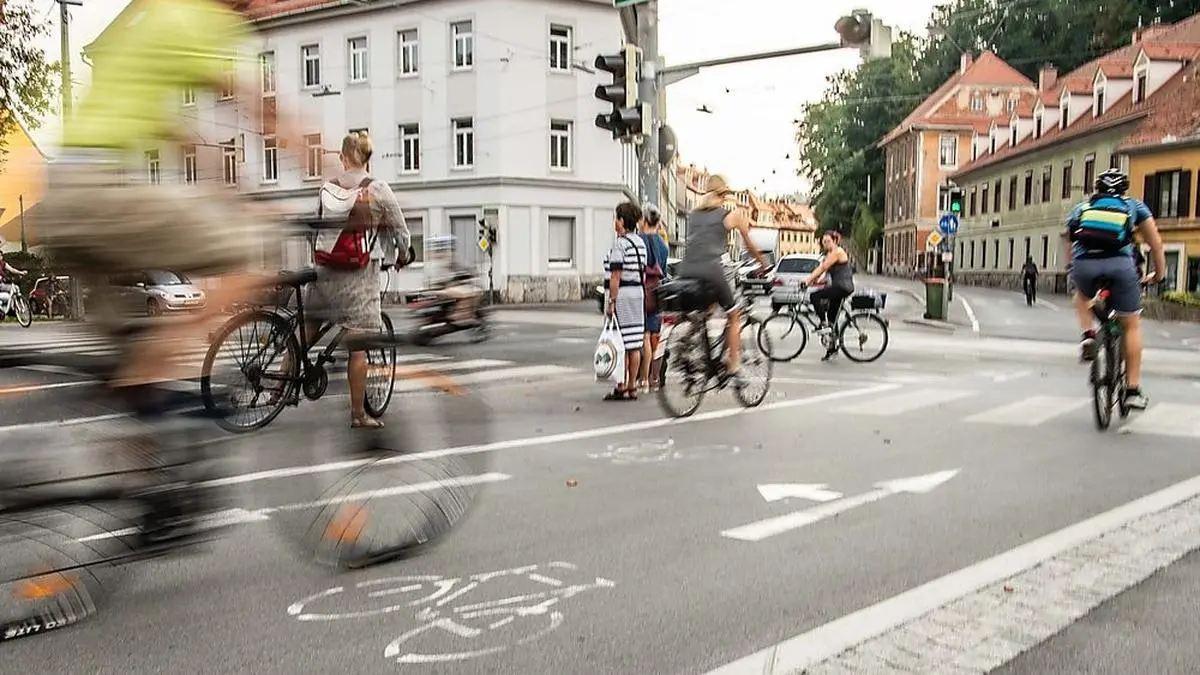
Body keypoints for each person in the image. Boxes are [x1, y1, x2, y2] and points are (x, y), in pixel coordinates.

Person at [35, 0, 307, 395]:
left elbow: (178, 134)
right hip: (95, 194)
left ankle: (140, 406)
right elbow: (265, 111)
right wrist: (335, 171)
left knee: (124, 353)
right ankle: (151, 366)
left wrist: (228, 189)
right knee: (247, 255)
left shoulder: (147, 21)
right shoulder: (199, 19)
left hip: (59, 196)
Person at [307, 131, 410, 428]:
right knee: (359, 344)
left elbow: (316, 229)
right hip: (358, 278)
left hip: (325, 273)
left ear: (343, 157)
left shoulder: (326, 189)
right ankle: (358, 414)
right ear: (367, 158)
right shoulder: (377, 189)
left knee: (308, 326)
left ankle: (279, 386)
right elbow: (400, 231)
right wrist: (402, 255)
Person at [1066, 168, 1166, 410]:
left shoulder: (1082, 208)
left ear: (1097, 189)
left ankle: (1089, 334)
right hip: (1120, 266)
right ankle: (1132, 390)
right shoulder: (1134, 206)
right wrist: (1159, 275)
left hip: (1085, 265)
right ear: (1124, 189)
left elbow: (1070, 242)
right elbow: (1156, 245)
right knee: (1131, 324)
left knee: (1081, 295)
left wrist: (1073, 269)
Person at [677, 175, 769, 385]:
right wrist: (763, 264)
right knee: (734, 316)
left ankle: (686, 341)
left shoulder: (693, 215)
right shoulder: (730, 215)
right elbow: (749, 245)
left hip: (687, 269)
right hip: (711, 268)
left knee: (706, 311)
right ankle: (733, 365)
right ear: (724, 194)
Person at [604, 202, 648, 401]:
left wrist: (611, 301)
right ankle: (633, 386)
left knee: (621, 342)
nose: (615, 222)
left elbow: (615, 275)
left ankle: (621, 385)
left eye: (616, 218)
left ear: (622, 221)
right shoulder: (640, 243)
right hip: (638, 293)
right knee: (635, 342)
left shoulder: (619, 244)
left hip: (623, 294)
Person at [805, 231, 855, 361]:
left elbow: (823, 267)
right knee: (833, 319)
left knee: (814, 297)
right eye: (823, 241)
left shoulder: (838, 252)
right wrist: (813, 281)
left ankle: (823, 323)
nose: (825, 243)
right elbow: (825, 274)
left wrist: (808, 278)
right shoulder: (830, 254)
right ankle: (832, 348)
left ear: (835, 241)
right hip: (839, 287)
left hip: (842, 287)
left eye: (827, 241)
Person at [637, 204, 670, 392]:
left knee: (643, 337)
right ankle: (653, 377)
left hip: (641, 292)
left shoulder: (639, 241)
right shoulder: (663, 246)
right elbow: (664, 273)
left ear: (644, 220)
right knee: (654, 338)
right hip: (657, 294)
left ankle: (642, 379)